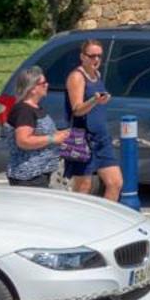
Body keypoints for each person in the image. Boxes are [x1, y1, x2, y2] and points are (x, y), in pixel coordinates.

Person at [65, 38, 122, 202]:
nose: (96, 60)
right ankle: (75, 223)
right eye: (92, 56)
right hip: (81, 137)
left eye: (99, 56)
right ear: (82, 56)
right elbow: (77, 109)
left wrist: (102, 99)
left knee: (115, 183)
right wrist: (94, 100)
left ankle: (105, 223)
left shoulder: (97, 74)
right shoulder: (77, 76)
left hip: (101, 137)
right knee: (83, 187)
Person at [4, 66, 65, 188]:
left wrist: (62, 134)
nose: (47, 85)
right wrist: (52, 139)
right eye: (43, 83)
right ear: (32, 89)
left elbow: (41, 133)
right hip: (28, 176)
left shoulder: (36, 107)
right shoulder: (24, 111)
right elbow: (23, 140)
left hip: (40, 174)